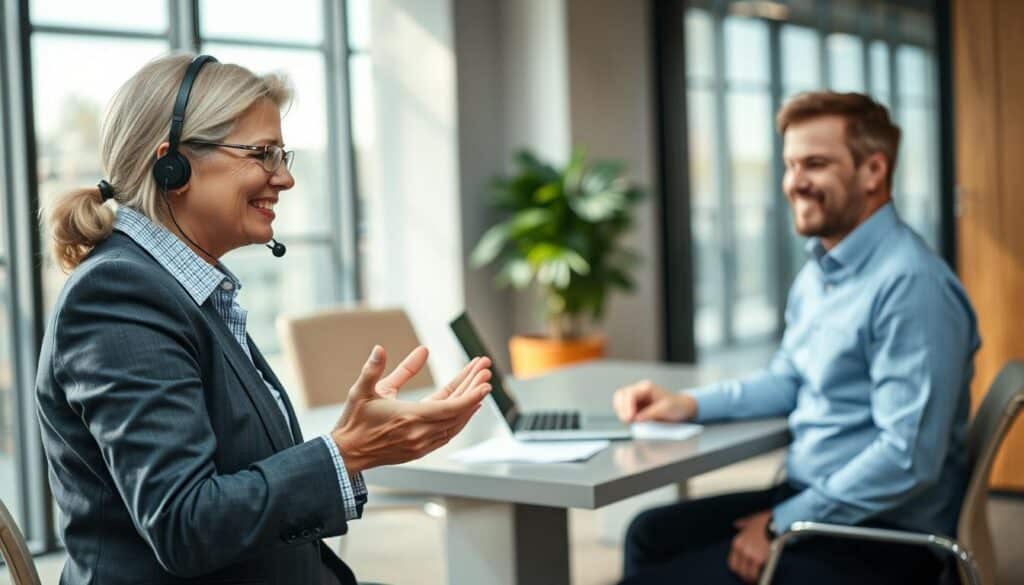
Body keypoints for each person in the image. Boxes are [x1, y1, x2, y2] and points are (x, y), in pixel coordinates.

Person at [35, 54, 492, 585]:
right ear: (172, 165)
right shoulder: (118, 294)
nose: (286, 178)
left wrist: (353, 441)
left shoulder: (187, 288)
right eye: (263, 154)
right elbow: (187, 525)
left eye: (282, 154)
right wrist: (345, 453)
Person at [612, 91, 980, 585]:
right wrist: (688, 404)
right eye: (789, 165)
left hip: (880, 534)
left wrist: (781, 524)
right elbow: (788, 380)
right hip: (813, 499)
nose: (794, 183)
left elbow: (906, 458)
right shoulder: (821, 271)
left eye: (815, 164)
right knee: (649, 533)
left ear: (873, 171)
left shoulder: (910, 284)